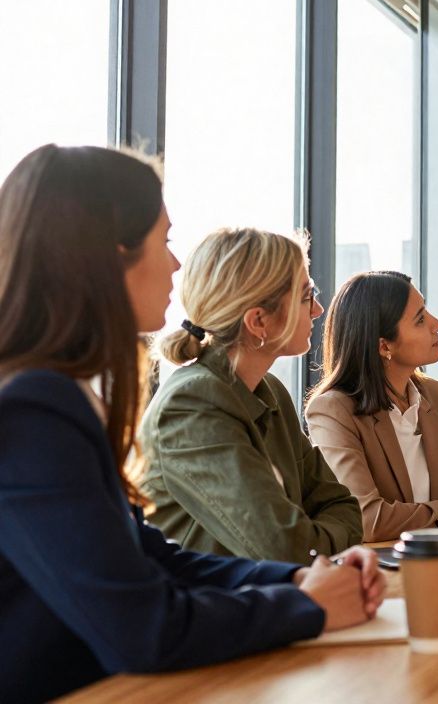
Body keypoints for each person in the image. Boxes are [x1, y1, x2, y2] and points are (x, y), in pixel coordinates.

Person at [0, 145, 382, 703]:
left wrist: (298, 580)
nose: (177, 265)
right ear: (111, 254)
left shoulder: (58, 393)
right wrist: (306, 605)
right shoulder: (34, 409)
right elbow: (144, 627)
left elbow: (151, 556)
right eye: (165, 240)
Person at [139, 228, 363, 563]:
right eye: (306, 296)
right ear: (259, 321)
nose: (318, 309)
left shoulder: (270, 391)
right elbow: (285, 549)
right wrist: (317, 541)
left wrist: (313, 540)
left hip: (273, 591)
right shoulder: (191, 404)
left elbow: (343, 507)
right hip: (216, 595)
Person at [306, 270, 438, 542]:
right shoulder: (332, 412)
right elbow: (367, 520)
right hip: (375, 564)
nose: (437, 324)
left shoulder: (436, 397)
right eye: (420, 319)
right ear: (384, 346)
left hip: (437, 559)